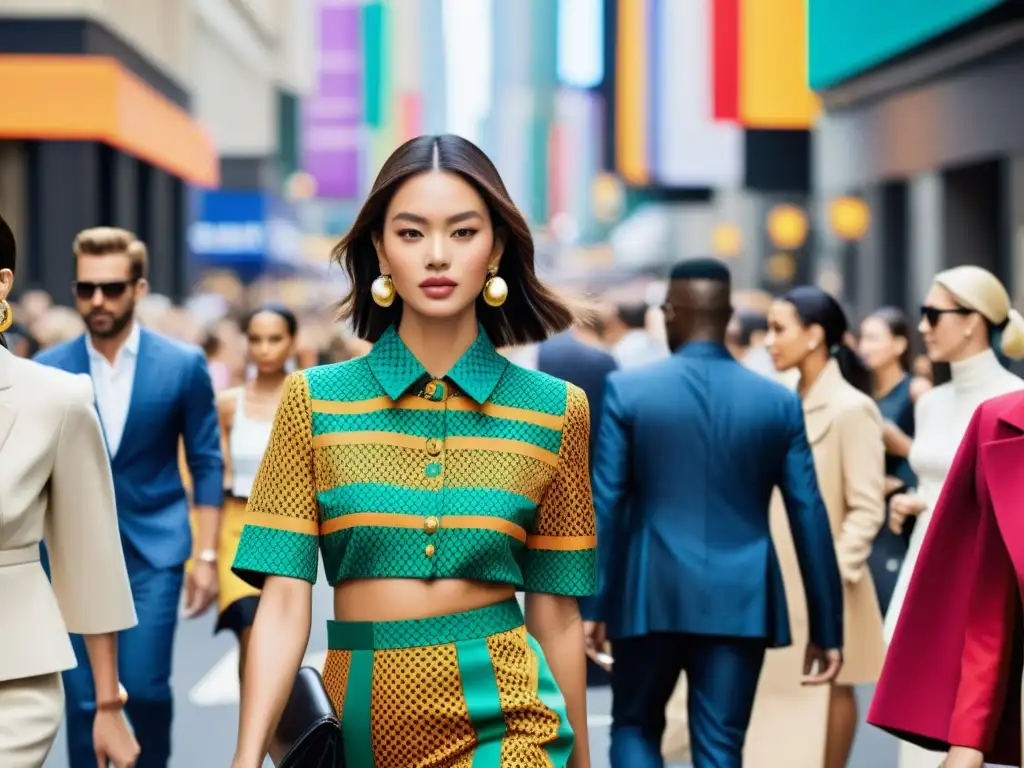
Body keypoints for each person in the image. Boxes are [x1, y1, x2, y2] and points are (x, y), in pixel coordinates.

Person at [230, 134, 596, 768]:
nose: (436, 256)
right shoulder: (313, 401)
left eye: (462, 233)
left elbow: (557, 616)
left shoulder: (556, 410)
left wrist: (585, 762)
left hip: (509, 719)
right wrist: (244, 759)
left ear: (497, 249)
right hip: (358, 720)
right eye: (410, 233)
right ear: (379, 249)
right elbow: (284, 604)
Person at [583, 259, 844, 768]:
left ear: (673, 313)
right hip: (740, 598)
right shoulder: (776, 402)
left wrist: (593, 606)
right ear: (726, 314)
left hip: (647, 592)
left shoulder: (629, 390)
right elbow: (808, 514)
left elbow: (606, 502)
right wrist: (826, 627)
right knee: (721, 746)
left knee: (635, 727)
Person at [35, 227, 224, 768]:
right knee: (83, 699)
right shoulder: (47, 368)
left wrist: (207, 557)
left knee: (143, 687)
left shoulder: (183, 365)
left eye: (112, 288)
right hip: (67, 557)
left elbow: (207, 460)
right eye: (86, 288)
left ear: (138, 289)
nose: (98, 300)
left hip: (154, 551)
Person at [868, 267, 1024, 768]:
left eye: (934, 314)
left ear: (975, 320)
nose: (923, 327)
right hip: (935, 575)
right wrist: (968, 742)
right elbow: (991, 607)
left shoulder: (998, 409)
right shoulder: (986, 419)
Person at [0, 213, 139, 767]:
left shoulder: (57, 398)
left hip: (13, 677)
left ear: (2, 282)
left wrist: (108, 704)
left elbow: (90, 557)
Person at [746, 286, 885, 768]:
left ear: (815, 336)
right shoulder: (781, 402)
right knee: (789, 699)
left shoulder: (852, 408)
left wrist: (829, 574)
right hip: (782, 577)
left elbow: (868, 508)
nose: (768, 341)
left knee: (832, 687)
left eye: (779, 329)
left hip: (831, 582)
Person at [214, 305, 298, 684]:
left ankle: (274, 729)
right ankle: (253, 721)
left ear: (292, 342)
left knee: (278, 637)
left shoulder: (306, 398)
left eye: (275, 339)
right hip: (235, 526)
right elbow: (210, 473)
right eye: (256, 339)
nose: (264, 348)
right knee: (248, 626)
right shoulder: (229, 404)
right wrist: (201, 554)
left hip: (286, 532)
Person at [858, 307, 918, 614]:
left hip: (899, 521)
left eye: (873, 338)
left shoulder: (916, 391)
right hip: (865, 516)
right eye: (862, 338)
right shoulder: (862, 394)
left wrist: (900, 480)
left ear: (899, 344)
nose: (865, 346)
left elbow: (935, 456)